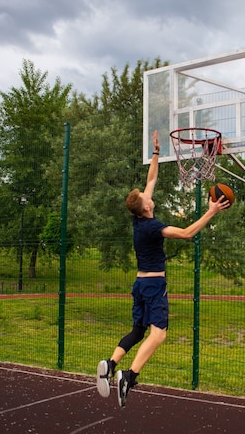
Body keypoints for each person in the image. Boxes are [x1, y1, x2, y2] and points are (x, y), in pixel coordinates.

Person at [96, 131, 230, 408]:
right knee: (159, 334)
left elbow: (151, 179)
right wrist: (212, 211)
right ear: (145, 207)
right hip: (154, 286)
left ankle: (110, 364)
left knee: (137, 331)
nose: (149, 196)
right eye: (146, 198)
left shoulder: (138, 220)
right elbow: (187, 233)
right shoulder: (153, 227)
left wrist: (157, 153)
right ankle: (128, 377)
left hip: (140, 285)